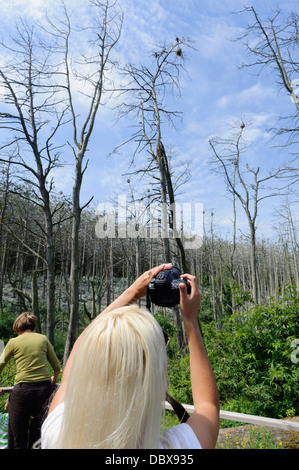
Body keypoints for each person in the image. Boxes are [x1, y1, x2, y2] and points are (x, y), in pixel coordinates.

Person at [41, 263, 220, 449]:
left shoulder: (57, 434)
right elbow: (208, 406)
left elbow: (78, 353)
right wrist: (190, 320)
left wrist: (132, 292)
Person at [0, 312, 61, 449]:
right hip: (43, 391)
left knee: (17, 434)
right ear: (32, 326)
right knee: (38, 433)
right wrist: (52, 380)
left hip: (23, 391)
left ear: (17, 326)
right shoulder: (43, 339)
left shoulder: (13, 342)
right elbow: (57, 367)